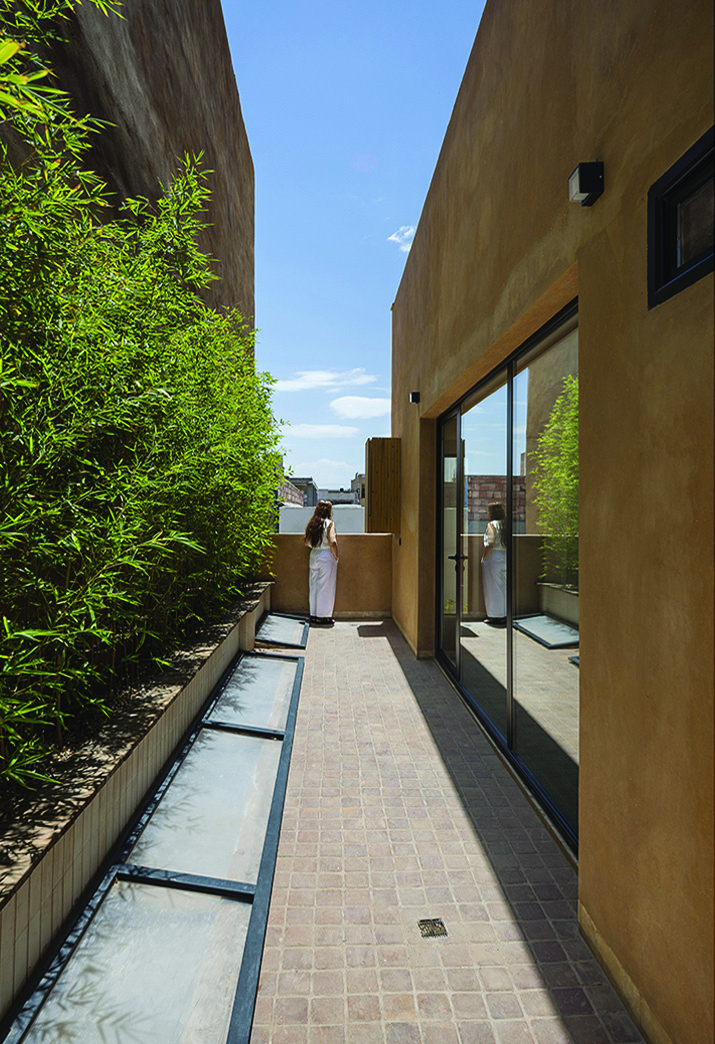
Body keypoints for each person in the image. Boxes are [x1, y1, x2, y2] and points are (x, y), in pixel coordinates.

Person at [304, 500, 339, 625]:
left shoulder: (312, 524)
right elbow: (332, 542)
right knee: (325, 586)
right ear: (329, 511)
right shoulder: (329, 524)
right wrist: (336, 556)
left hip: (313, 555)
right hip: (326, 555)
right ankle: (324, 617)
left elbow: (306, 542)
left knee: (313, 585)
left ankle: (313, 615)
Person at [481, 501, 507, 624]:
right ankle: (504, 614)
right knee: (503, 586)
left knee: (493, 588)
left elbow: (490, 543)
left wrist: (484, 557)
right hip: (505, 556)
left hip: (494, 558)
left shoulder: (492, 525)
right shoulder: (505, 525)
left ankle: (495, 616)